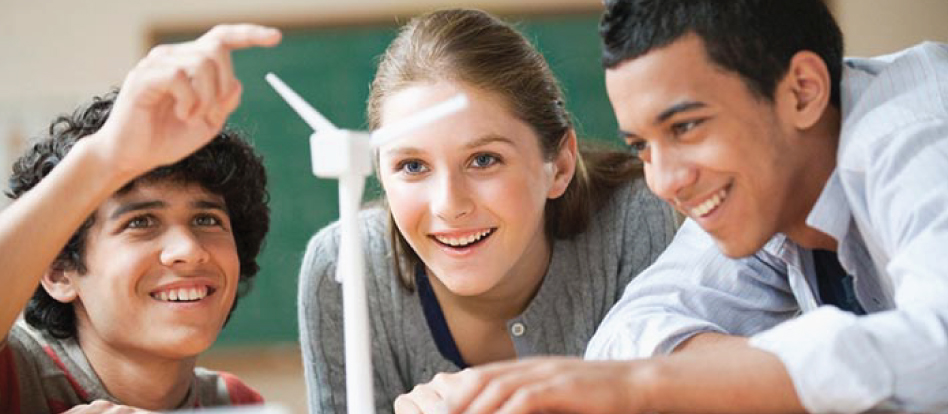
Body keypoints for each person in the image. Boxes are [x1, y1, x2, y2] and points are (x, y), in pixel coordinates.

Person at [411, 1, 948, 413]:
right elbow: (630, 335)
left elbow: (938, 347)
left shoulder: (915, 136)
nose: (665, 180)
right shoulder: (761, 191)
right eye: (642, 146)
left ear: (802, 92)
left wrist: (646, 386)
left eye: (687, 127)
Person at [296, 8, 677, 414]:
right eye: (412, 166)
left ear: (560, 166)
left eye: (483, 160)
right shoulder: (342, 266)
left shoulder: (633, 222)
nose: (449, 205)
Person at [0, 24, 280, 413]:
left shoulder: (233, 402)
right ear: (61, 272)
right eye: (141, 222)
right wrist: (104, 157)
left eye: (207, 220)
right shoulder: (14, 376)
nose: (189, 250)